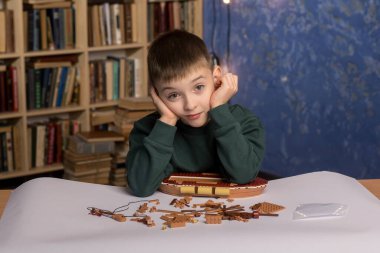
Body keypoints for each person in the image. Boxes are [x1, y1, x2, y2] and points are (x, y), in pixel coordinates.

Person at [126, 30, 265, 197]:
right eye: (173, 95)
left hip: (228, 214)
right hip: (172, 213)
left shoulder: (244, 122)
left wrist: (219, 109)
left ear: (216, 78)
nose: (190, 105)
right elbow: (140, 187)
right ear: (157, 95)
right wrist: (167, 120)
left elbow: (244, 175)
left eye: (198, 87)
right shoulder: (149, 130)